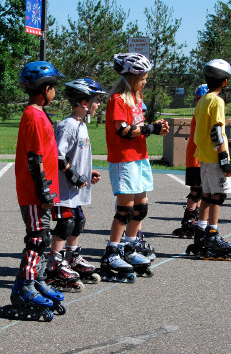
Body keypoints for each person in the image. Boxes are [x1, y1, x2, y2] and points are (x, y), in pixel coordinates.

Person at [1, 61, 66, 322]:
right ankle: (24, 288)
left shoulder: (39, 114)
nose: (55, 93)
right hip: (35, 191)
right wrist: (43, 191)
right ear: (45, 89)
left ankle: (36, 280)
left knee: (44, 239)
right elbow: (34, 158)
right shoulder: (34, 115)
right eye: (54, 88)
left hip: (41, 190)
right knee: (37, 238)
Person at [99, 52, 168, 282]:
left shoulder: (137, 98)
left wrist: (154, 126)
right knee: (125, 210)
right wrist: (151, 129)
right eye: (142, 76)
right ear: (129, 77)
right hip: (124, 159)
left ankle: (130, 247)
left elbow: (138, 127)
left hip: (140, 157)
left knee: (141, 208)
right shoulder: (118, 99)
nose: (145, 80)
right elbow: (123, 131)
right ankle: (112, 251)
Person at [45, 78, 106, 292]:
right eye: (96, 100)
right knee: (66, 224)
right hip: (62, 189)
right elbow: (57, 156)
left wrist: (88, 173)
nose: (99, 104)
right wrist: (73, 175)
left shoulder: (81, 125)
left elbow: (76, 156)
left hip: (74, 188)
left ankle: (71, 257)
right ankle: (54, 264)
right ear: (84, 103)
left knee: (79, 221)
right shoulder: (68, 126)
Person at [185, 59, 231, 261]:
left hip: (203, 157)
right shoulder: (217, 101)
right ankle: (212, 235)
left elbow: (201, 132)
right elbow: (217, 131)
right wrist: (224, 157)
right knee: (218, 196)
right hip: (216, 157)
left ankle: (200, 231)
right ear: (225, 82)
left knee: (206, 196)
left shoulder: (202, 101)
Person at [173, 84, 208, 238]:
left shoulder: (202, 112)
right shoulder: (201, 113)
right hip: (196, 157)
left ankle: (194, 218)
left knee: (200, 191)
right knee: (197, 190)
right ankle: (188, 221)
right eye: (198, 99)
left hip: (199, 157)